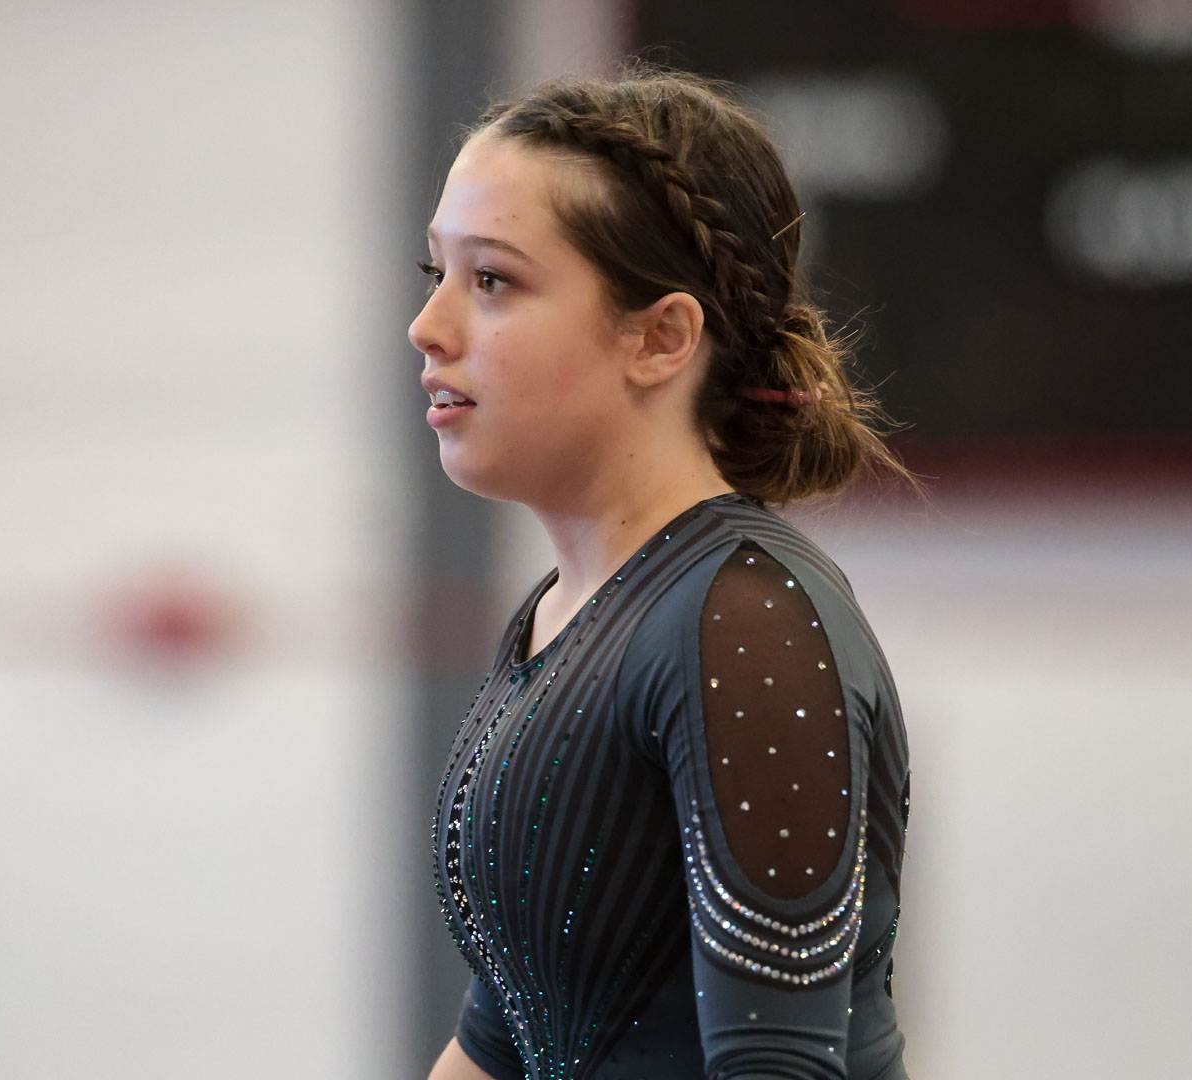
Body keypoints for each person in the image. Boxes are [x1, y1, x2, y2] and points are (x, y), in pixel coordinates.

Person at [410, 64, 916, 1080]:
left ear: (661, 338)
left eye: (492, 281)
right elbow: (501, 1040)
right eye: (438, 274)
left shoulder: (747, 619)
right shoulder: (566, 616)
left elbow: (776, 1066)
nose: (430, 327)